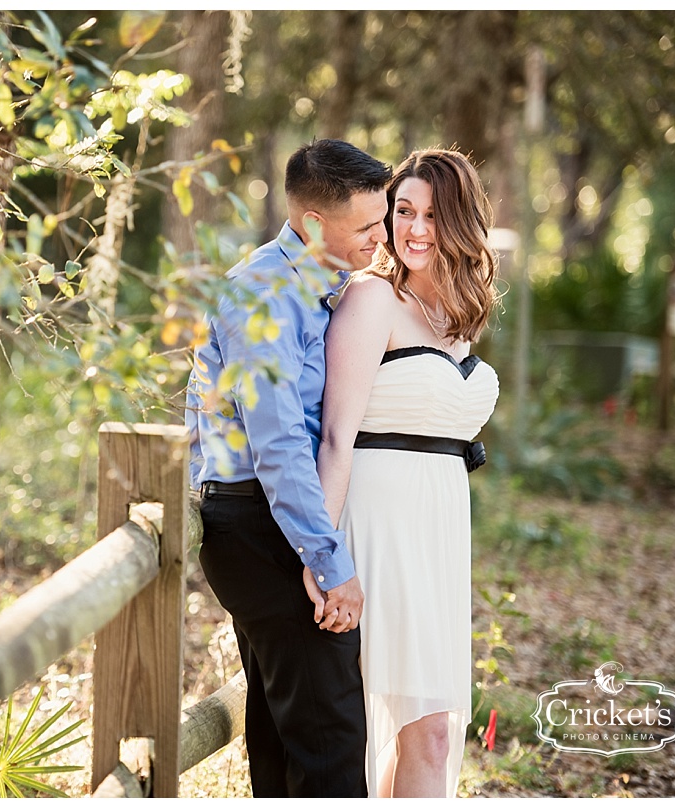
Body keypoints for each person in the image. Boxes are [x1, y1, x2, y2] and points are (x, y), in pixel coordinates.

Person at [184, 138, 392, 797]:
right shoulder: (268, 293)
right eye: (367, 227)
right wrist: (331, 566)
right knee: (330, 745)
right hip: (257, 522)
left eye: (382, 220)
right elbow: (276, 445)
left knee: (283, 738)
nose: (381, 239)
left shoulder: (311, 287)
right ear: (311, 225)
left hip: (266, 519)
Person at [316, 148, 501, 798]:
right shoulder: (371, 299)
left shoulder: (459, 322)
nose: (415, 228)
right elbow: (336, 435)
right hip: (377, 523)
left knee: (437, 731)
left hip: (441, 532)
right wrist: (324, 555)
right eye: (404, 211)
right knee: (395, 725)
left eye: (432, 214)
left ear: (461, 224)